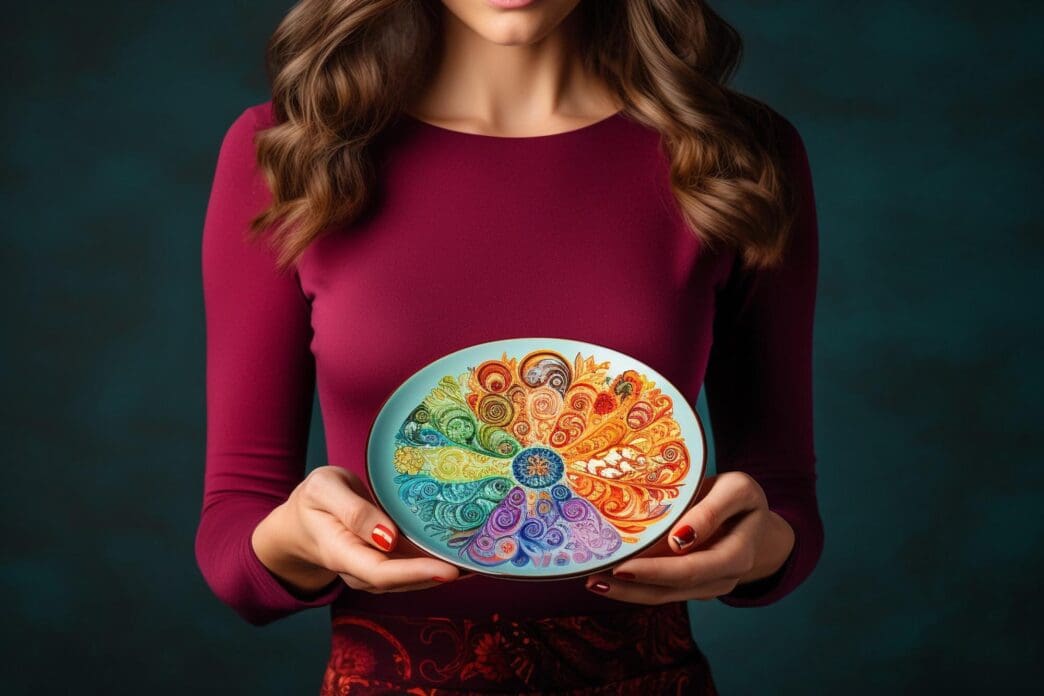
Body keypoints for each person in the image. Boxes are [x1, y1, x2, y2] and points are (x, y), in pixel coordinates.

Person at [195, 0, 824, 693]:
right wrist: (298, 539)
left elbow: (784, 494)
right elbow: (234, 535)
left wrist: (759, 548)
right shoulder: (287, 153)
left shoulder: (737, 155)